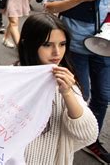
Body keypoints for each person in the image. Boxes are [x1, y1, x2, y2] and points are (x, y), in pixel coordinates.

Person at [45, 0, 110, 162]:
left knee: (103, 96)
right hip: (76, 48)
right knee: (81, 95)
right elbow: (50, 7)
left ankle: (90, 139)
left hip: (104, 47)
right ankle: (72, 135)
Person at [17, 13, 98, 164]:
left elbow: (88, 133)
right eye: (47, 45)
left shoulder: (64, 82)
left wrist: (67, 93)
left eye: (62, 44)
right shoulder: (12, 77)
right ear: (28, 43)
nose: (57, 52)